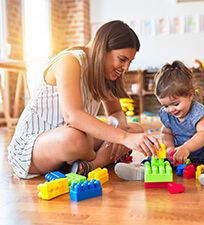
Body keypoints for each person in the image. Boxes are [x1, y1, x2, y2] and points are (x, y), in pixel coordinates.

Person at [7, 20, 160, 179]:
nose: (126, 68)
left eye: (130, 61)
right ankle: (99, 161)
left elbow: (115, 112)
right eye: (122, 59)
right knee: (76, 138)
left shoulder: (106, 72)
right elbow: (72, 117)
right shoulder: (69, 62)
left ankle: (87, 166)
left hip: (78, 141)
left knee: (135, 129)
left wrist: (122, 129)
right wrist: (124, 139)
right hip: (34, 147)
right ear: (103, 49)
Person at [154, 60, 204, 190]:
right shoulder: (168, 114)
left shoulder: (198, 112)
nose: (171, 109)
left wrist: (186, 148)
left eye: (175, 104)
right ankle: (144, 168)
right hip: (179, 152)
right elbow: (166, 132)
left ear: (190, 95)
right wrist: (170, 148)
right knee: (158, 155)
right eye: (165, 105)